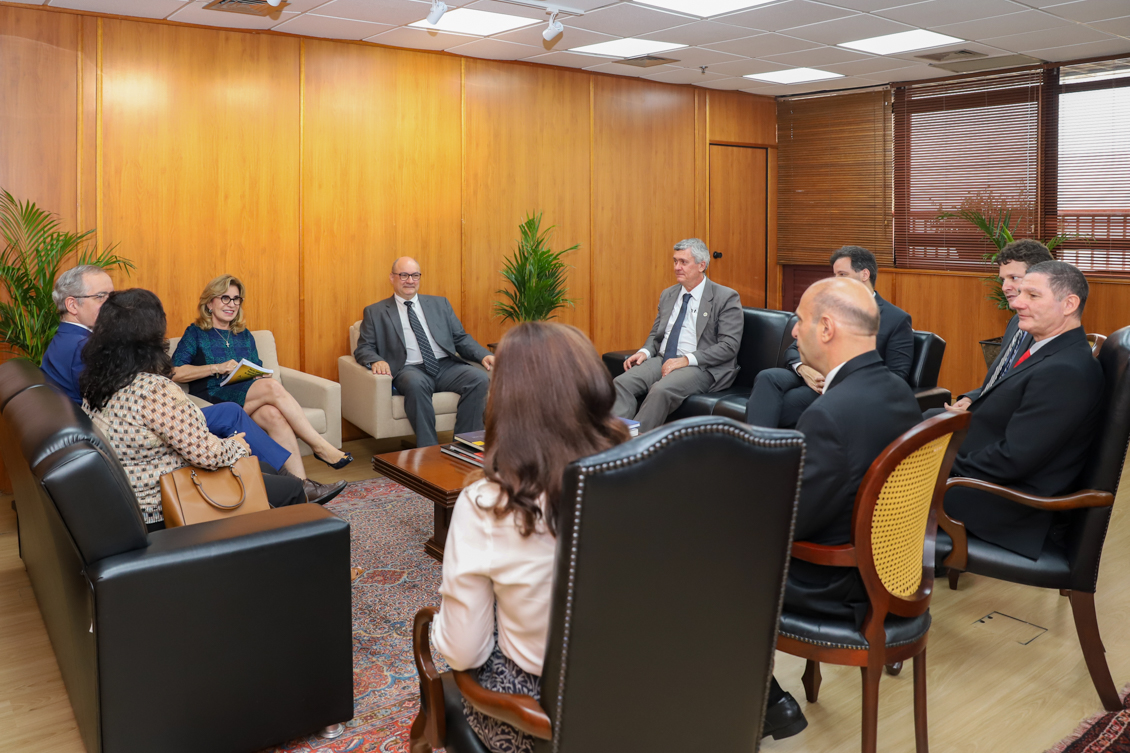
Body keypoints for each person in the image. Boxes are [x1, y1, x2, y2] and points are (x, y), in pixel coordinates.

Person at [431, 321, 630, 753]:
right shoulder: (646, 474)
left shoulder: (488, 503)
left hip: (547, 714)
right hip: (644, 689)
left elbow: (463, 652)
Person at [762, 277, 923, 741]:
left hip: (838, 583)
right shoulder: (895, 390)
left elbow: (788, 522)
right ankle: (769, 702)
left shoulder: (829, 413)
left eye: (800, 320)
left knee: (696, 561)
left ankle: (761, 702)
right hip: (894, 569)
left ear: (827, 328)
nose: (794, 331)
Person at [43, 266, 345, 505]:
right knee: (249, 406)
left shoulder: (81, 344)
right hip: (168, 433)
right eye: (103, 298)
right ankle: (306, 471)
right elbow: (167, 381)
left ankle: (298, 484)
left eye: (235, 299)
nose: (111, 306)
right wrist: (232, 444)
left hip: (156, 424)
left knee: (268, 413)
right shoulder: (85, 348)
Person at [79, 289, 308, 532]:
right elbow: (207, 456)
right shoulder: (153, 389)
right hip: (166, 502)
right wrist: (236, 446)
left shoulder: (96, 380)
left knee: (267, 470)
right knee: (291, 490)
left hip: (132, 497)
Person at [944, 261, 1103, 560]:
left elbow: (1014, 459)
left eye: (1032, 295)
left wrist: (943, 464)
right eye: (1020, 294)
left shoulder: (1067, 371)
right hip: (985, 478)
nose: (1016, 302)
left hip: (1008, 504)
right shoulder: (1047, 350)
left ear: (1069, 304)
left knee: (873, 492)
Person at [172, 274, 354, 481]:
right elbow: (175, 372)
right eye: (225, 298)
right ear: (210, 303)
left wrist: (257, 376)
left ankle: (300, 488)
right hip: (213, 398)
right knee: (272, 387)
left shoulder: (244, 335)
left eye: (236, 299)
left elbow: (254, 369)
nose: (231, 304)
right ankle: (320, 447)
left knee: (273, 415)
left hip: (244, 395)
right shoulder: (195, 333)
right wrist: (216, 367)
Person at [747, 245, 913, 429]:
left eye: (842, 274)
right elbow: (794, 348)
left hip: (843, 385)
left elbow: (898, 376)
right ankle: (758, 447)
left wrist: (836, 380)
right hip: (809, 375)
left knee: (775, 406)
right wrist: (804, 369)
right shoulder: (828, 307)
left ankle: (757, 448)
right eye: (834, 275)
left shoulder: (896, 318)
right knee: (767, 376)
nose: (836, 280)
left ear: (864, 274)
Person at [353, 257, 494, 448]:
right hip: (408, 368)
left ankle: (465, 447)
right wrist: (375, 360)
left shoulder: (440, 304)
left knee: (478, 378)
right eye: (404, 275)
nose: (410, 280)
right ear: (392, 278)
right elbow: (364, 347)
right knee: (416, 384)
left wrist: (484, 355)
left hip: (445, 365)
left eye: (415, 275)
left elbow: (460, 338)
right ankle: (429, 451)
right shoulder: (375, 312)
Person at [612, 238, 743, 432]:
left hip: (703, 366)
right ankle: (612, 439)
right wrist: (645, 352)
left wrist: (686, 359)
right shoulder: (668, 294)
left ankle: (634, 447)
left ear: (702, 265)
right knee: (621, 382)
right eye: (675, 261)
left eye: (683, 262)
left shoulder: (726, 297)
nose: (677, 267)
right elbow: (656, 333)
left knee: (660, 390)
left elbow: (729, 346)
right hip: (664, 358)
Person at [943, 239, 1055, 413]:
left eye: (1014, 278)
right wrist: (971, 398)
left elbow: (1024, 396)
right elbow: (1002, 378)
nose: (1004, 287)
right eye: (1003, 279)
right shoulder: (1016, 323)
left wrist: (976, 412)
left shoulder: (1049, 332)